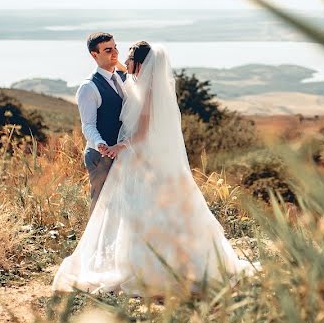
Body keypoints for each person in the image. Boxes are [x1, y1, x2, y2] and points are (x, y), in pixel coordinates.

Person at [53, 42, 257, 295]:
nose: (122, 62)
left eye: (127, 58)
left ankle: (148, 267)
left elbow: (143, 132)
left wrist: (119, 147)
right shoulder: (132, 81)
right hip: (135, 158)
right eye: (113, 51)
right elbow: (120, 71)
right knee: (132, 211)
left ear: (140, 64)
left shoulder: (147, 90)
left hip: (136, 155)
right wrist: (116, 61)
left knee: (138, 209)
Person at [76, 32, 130, 215]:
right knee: (101, 207)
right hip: (101, 156)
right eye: (108, 50)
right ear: (94, 55)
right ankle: (95, 244)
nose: (114, 53)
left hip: (122, 153)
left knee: (122, 207)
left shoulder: (122, 77)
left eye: (115, 48)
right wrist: (100, 143)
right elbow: (88, 125)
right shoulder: (88, 87)